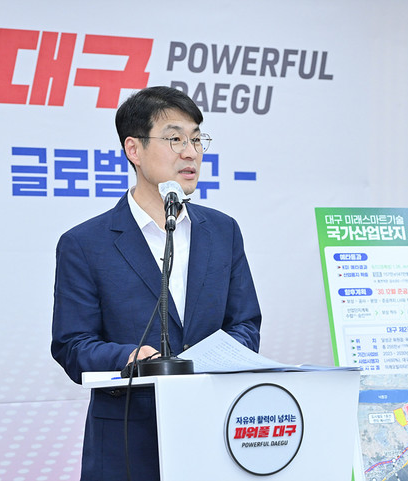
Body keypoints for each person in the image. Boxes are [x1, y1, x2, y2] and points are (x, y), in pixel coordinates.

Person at [51, 86, 262, 480]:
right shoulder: (85, 243)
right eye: (175, 139)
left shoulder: (223, 231)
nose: (191, 152)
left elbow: (246, 324)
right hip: (128, 443)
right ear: (134, 149)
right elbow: (72, 345)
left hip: (214, 433)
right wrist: (130, 357)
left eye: (196, 139)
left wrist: (211, 359)